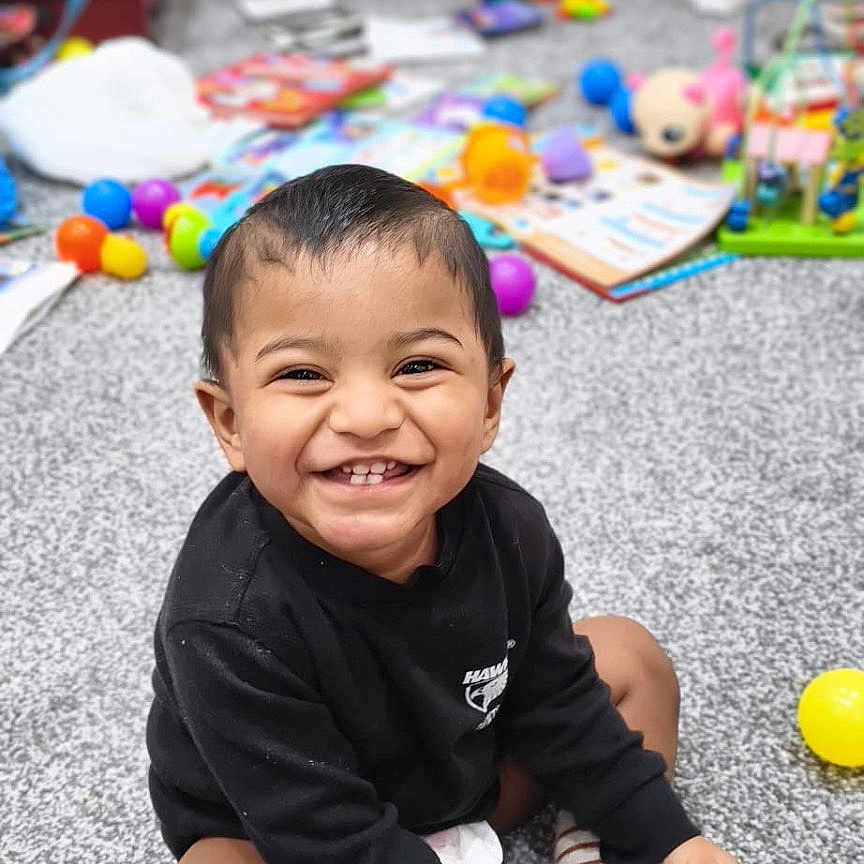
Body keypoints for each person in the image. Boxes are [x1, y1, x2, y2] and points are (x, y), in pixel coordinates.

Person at [146, 164, 739, 864]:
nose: (366, 416)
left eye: (417, 366)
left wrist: (673, 844)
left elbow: (558, 702)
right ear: (230, 423)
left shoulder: (511, 528)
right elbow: (318, 832)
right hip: (288, 825)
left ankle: (588, 837)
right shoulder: (225, 620)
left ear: (489, 402)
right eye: (303, 374)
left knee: (630, 657)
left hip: (463, 778)